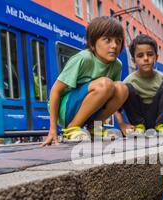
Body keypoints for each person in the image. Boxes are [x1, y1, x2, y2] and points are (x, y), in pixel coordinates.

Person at [41, 17, 128, 145]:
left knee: (122, 88)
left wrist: (122, 124)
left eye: (118, 41)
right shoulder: (83, 59)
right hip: (67, 109)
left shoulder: (117, 65)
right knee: (106, 84)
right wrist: (52, 129)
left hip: (91, 110)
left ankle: (95, 127)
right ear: (92, 43)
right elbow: (55, 90)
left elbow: (112, 98)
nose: (114, 46)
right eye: (107, 40)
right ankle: (71, 128)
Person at [117, 34, 163, 136]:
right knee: (126, 88)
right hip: (137, 120)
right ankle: (139, 127)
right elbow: (117, 109)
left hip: (158, 120)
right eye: (140, 56)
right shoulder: (128, 81)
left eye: (150, 54)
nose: (146, 58)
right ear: (133, 60)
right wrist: (122, 125)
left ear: (156, 57)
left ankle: (160, 126)